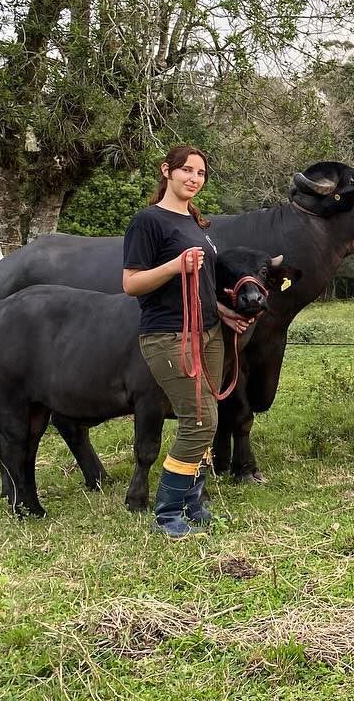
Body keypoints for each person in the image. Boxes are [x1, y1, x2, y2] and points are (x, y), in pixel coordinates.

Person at [123, 145, 251, 538]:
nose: (194, 179)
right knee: (200, 421)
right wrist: (174, 266)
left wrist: (222, 312)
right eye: (187, 171)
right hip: (169, 333)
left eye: (201, 173)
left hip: (208, 331)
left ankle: (193, 504)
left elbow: (203, 282)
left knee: (205, 421)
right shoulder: (148, 222)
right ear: (167, 171)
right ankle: (168, 513)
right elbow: (131, 283)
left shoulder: (195, 222)